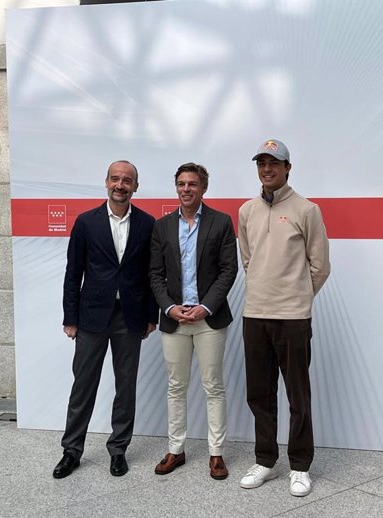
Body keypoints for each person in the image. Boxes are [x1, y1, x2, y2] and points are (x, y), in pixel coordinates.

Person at [53, 160, 158, 479]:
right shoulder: (86, 222)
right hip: (90, 318)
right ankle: (71, 450)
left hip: (131, 317)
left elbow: (152, 274)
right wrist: (70, 317)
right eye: (115, 179)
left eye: (127, 180)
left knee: (126, 386)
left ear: (136, 187)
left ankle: (118, 450)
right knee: (83, 385)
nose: (120, 185)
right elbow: (73, 274)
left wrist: (150, 316)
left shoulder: (148, 224)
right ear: (106, 182)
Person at [237, 139, 330, 497]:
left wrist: (297, 298)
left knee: (297, 394)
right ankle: (265, 460)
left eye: (274, 163)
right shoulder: (246, 211)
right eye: (261, 163)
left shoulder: (307, 210)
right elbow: (249, 259)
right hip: (254, 315)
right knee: (259, 394)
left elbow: (320, 265)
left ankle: (300, 465)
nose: (267, 169)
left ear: (288, 167)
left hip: (292, 318)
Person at [149, 162, 238, 480]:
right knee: (176, 387)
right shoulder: (161, 226)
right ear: (176, 187)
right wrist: (170, 308)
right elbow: (155, 274)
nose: (187, 189)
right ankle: (176, 449)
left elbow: (229, 269)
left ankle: (217, 454)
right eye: (182, 184)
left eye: (193, 184)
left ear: (204, 188)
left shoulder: (222, 222)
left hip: (208, 320)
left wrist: (205, 307)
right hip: (174, 320)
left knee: (213, 386)